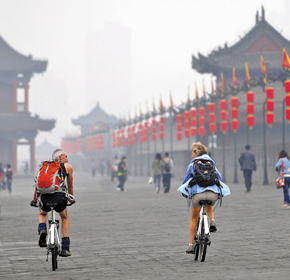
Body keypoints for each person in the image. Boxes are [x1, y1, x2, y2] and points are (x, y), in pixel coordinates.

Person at [177, 142, 230, 254]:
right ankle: (212, 221)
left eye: (192, 153)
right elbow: (219, 179)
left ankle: (191, 245)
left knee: (194, 218)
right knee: (209, 205)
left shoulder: (192, 165)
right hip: (212, 195)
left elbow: (185, 182)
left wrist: (185, 192)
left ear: (196, 153)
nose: (191, 156)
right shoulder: (212, 164)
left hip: (198, 195)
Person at [30, 149, 74, 257]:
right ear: (60, 158)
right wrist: (71, 198)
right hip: (59, 197)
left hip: (45, 198)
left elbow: (37, 186)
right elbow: (70, 186)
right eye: (66, 157)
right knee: (64, 217)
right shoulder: (67, 167)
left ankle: (42, 229)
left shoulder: (44, 168)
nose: (67, 159)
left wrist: (35, 201)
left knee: (42, 213)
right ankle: (65, 247)